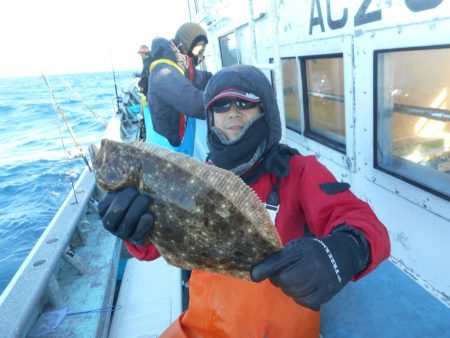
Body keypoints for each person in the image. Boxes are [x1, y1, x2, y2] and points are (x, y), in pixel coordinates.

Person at [98, 65, 391, 337]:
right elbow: (151, 251)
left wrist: (344, 250)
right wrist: (133, 231)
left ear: (264, 111)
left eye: (245, 103)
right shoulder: (199, 176)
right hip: (199, 325)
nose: (233, 112)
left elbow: (363, 223)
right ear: (210, 117)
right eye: (221, 106)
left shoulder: (298, 171)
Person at [145, 22, 212, 156]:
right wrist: (230, 105)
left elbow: (203, 78)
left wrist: (230, 79)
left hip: (179, 143)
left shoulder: (181, 67)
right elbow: (194, 104)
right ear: (188, 46)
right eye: (199, 51)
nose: (201, 57)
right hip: (165, 151)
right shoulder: (163, 72)